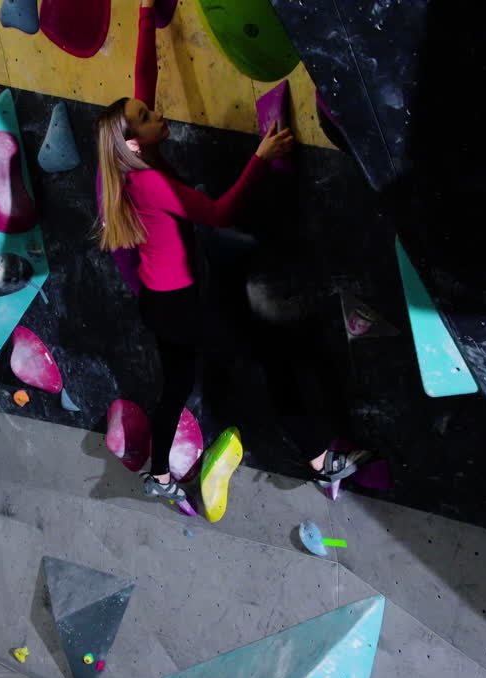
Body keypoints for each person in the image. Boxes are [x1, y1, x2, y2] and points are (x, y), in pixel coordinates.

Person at [95, 0, 368, 503]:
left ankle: (158, 478)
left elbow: (143, 78)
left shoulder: (124, 164)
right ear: (133, 143)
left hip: (159, 303)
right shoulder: (149, 182)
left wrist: (144, 14)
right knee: (269, 357)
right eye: (147, 116)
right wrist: (260, 159)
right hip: (180, 306)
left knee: (175, 385)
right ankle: (320, 458)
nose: (155, 112)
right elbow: (219, 214)